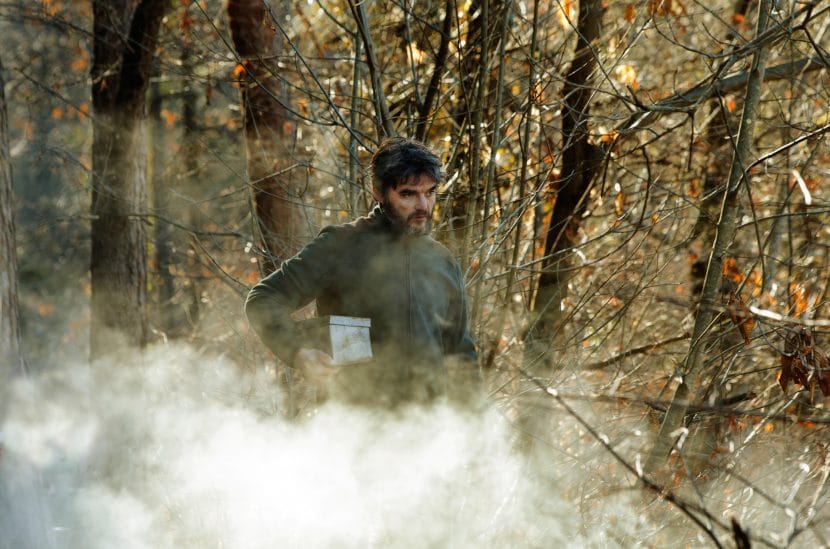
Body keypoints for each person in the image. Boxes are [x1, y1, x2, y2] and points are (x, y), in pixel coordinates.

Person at [245, 137, 480, 408]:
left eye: (429, 192)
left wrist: (473, 432)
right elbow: (264, 300)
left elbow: (461, 356)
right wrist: (298, 353)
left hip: (428, 434)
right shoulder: (339, 246)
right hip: (353, 430)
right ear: (378, 191)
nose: (424, 206)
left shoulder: (442, 261)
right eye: (408, 194)